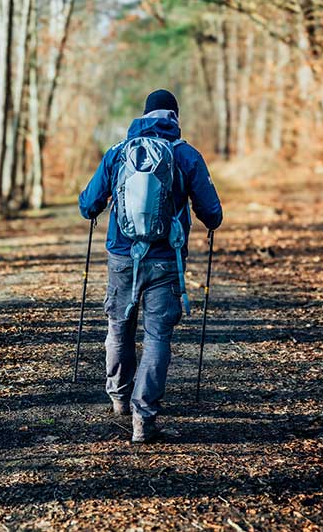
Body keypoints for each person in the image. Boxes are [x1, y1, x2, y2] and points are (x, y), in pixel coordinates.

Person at [78, 89, 223, 444]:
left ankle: (118, 397)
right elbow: (213, 214)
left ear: (142, 116)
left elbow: (88, 204)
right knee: (158, 336)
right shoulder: (186, 155)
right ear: (175, 117)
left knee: (119, 325)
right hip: (166, 260)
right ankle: (143, 417)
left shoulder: (118, 152)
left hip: (122, 258)